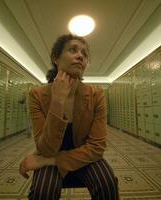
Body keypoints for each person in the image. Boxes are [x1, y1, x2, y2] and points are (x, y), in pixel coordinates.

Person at [19, 34, 119, 200]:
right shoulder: (37, 95)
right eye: (73, 50)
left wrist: (47, 161)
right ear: (56, 58)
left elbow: (97, 147)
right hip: (51, 152)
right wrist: (57, 101)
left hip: (84, 154)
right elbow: (46, 149)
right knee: (42, 191)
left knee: (107, 183)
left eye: (85, 54)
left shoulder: (96, 94)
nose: (80, 56)